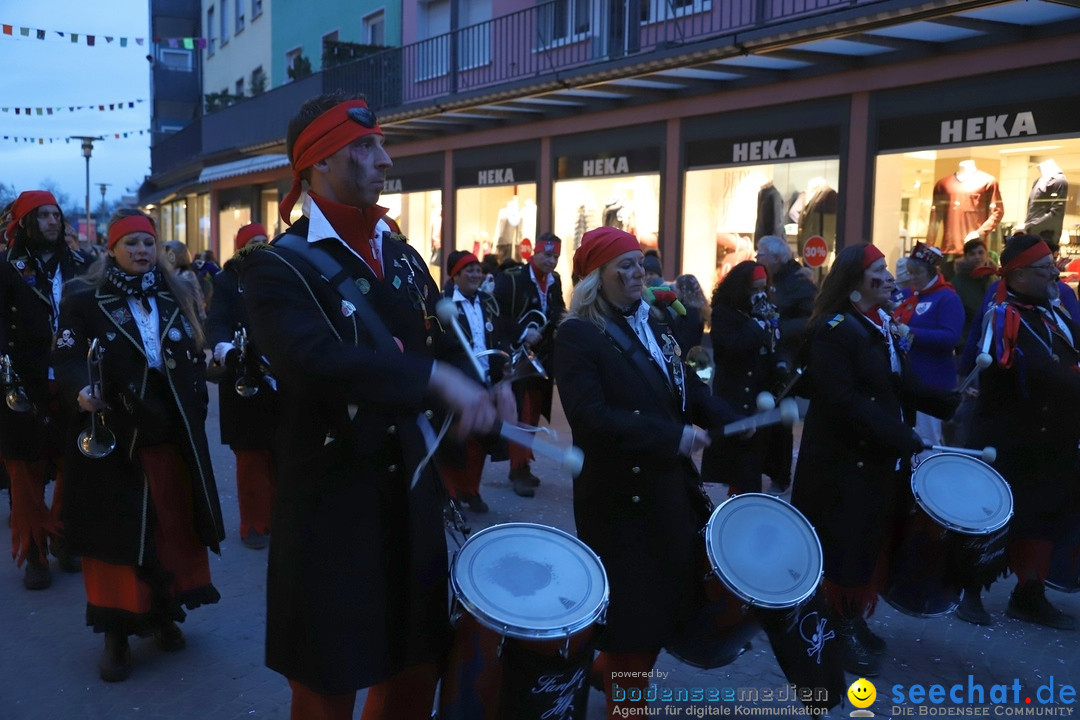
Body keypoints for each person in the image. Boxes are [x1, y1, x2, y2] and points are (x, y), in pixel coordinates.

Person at [239, 93, 501, 720]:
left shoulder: (405, 258)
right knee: (328, 680)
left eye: (381, 144)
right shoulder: (275, 268)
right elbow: (314, 362)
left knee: (415, 664)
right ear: (320, 163)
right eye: (365, 147)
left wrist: (481, 385)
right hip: (332, 502)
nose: (385, 160)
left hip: (410, 493)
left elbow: (437, 341)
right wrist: (436, 380)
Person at [554, 226, 743, 719]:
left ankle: (612, 673)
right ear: (597, 278)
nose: (640, 273)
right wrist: (670, 437)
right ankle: (625, 704)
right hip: (619, 496)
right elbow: (589, 417)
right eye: (626, 266)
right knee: (635, 612)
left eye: (641, 263)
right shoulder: (578, 335)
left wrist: (728, 417)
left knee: (666, 602)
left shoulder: (655, 323)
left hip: (667, 487)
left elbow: (683, 391)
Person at [54, 208, 224, 682]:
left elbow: (189, 355)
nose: (141, 251)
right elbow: (67, 356)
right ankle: (116, 636)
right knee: (118, 538)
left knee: (171, 531)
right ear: (111, 249)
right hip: (115, 437)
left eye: (147, 243)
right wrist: (80, 392)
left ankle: (164, 614)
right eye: (130, 244)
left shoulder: (175, 293)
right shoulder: (85, 300)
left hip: (169, 436)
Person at [790, 243, 958, 677]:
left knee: (867, 540)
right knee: (845, 544)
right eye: (878, 271)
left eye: (887, 270)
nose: (888, 278)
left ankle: (850, 620)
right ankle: (835, 630)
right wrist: (902, 435)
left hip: (874, 458)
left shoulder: (879, 323)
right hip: (842, 463)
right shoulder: (834, 330)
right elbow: (843, 400)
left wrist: (950, 403)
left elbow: (898, 383)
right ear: (854, 283)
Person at [960, 235, 1080, 630]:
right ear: (1021, 274)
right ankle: (968, 590)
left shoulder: (1056, 311)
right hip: (1008, 436)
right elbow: (1034, 369)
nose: (1055, 271)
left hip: (1051, 436)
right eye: (1046, 267)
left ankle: (1028, 594)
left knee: (1043, 516)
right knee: (991, 516)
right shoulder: (1004, 314)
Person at [0, 190, 91, 590]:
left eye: (57, 215)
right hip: (24, 380)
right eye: (44, 216)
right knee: (26, 473)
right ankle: (35, 551)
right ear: (26, 223)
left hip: (72, 379)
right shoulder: (6, 267)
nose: (54, 222)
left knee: (77, 462)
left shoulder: (82, 265)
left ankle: (63, 536)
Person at [206, 222, 278, 550]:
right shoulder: (225, 281)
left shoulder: (282, 273)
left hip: (280, 375)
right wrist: (226, 349)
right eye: (254, 243)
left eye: (264, 241)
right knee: (250, 457)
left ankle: (281, 518)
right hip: (243, 377)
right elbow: (217, 322)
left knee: (282, 451)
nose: (260, 247)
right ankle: (254, 524)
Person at [432, 250, 513, 514]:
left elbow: (499, 336)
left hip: (489, 380)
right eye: (469, 270)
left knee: (481, 443)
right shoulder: (442, 304)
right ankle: (450, 492)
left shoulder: (489, 302)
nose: (476, 274)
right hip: (460, 387)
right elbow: (440, 347)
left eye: (478, 270)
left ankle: (472, 490)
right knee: (455, 442)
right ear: (455, 276)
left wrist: (505, 364)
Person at [702, 260, 791, 495]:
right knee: (739, 466)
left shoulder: (768, 311)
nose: (760, 295)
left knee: (761, 458)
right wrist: (756, 324)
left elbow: (777, 343)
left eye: (764, 288)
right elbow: (731, 348)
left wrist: (781, 363)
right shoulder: (723, 313)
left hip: (763, 396)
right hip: (735, 397)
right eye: (754, 289)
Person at [493, 231, 566, 497]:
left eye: (556, 256)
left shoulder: (554, 280)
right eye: (547, 255)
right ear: (533, 253)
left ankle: (523, 464)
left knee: (533, 413)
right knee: (520, 414)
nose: (552, 261)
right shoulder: (512, 279)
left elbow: (557, 308)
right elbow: (495, 314)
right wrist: (523, 333)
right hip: (518, 356)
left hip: (542, 358)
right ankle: (517, 467)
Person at [755, 234, 818, 491]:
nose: (757, 257)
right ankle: (763, 469)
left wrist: (777, 326)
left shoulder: (799, 283)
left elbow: (811, 320)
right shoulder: (768, 278)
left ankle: (780, 476)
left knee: (780, 420)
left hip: (787, 362)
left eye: (761, 253)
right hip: (766, 357)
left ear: (778, 257)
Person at [892, 242, 964, 448]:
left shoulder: (948, 298)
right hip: (907, 380)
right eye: (909, 273)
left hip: (932, 381)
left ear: (932, 272)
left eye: (917, 273)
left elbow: (949, 338)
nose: (912, 278)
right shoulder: (909, 296)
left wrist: (910, 332)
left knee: (925, 442)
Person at [950, 238, 995, 349]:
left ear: (986, 254)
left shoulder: (993, 278)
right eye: (972, 254)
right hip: (968, 340)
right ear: (965, 257)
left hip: (992, 338)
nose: (977, 257)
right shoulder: (958, 282)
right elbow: (953, 314)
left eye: (980, 253)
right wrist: (960, 343)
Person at [671, 273, 708, 352]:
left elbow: (686, 340)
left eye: (677, 287)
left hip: (686, 355)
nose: (674, 290)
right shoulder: (696, 310)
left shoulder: (689, 312)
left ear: (683, 291)